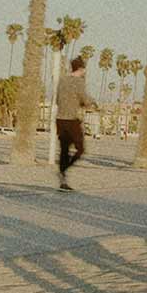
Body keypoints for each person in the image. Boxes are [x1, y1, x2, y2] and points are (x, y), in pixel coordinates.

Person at [54, 55, 98, 192]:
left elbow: (57, 99)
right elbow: (84, 99)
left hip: (60, 119)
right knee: (80, 149)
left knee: (64, 150)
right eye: (83, 69)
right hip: (72, 120)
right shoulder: (79, 82)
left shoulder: (62, 81)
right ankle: (64, 170)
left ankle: (63, 178)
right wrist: (93, 103)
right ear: (80, 69)